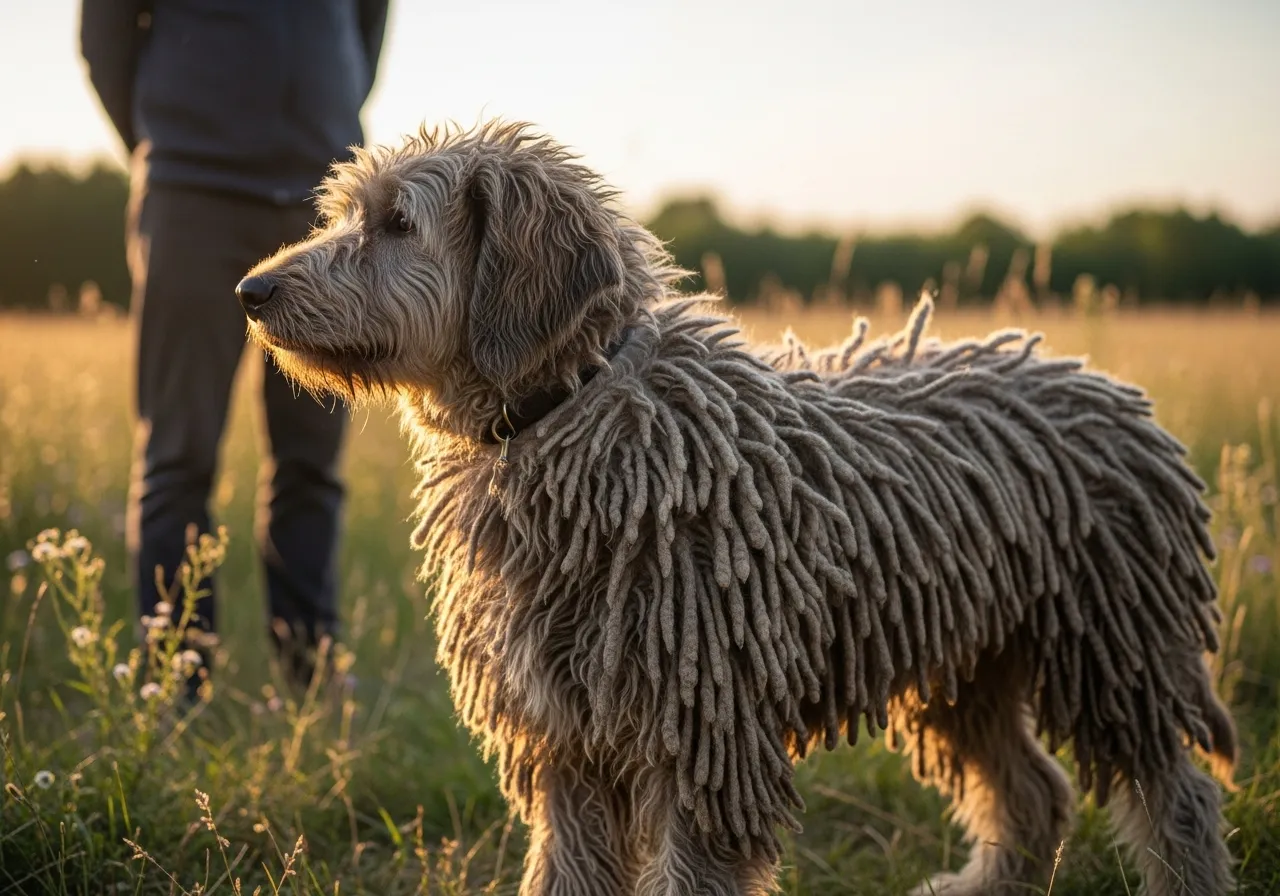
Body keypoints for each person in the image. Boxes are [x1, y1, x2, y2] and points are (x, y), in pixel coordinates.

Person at [80, 0, 389, 692]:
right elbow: (104, 37)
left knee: (313, 462)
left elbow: (367, 21)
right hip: (193, 195)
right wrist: (171, 141)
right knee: (177, 456)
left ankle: (313, 672)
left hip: (323, 195)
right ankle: (175, 682)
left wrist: (324, 118)